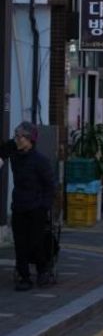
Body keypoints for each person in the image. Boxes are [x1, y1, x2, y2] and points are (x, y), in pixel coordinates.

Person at [0, 123, 56, 291]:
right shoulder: (15, 154)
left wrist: (44, 206)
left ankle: (42, 270)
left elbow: (50, 186)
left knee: (35, 242)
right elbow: (3, 151)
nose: (17, 140)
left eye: (20, 137)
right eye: (16, 136)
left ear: (30, 140)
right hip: (19, 206)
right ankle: (24, 277)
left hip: (36, 208)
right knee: (20, 244)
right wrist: (9, 145)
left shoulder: (40, 161)